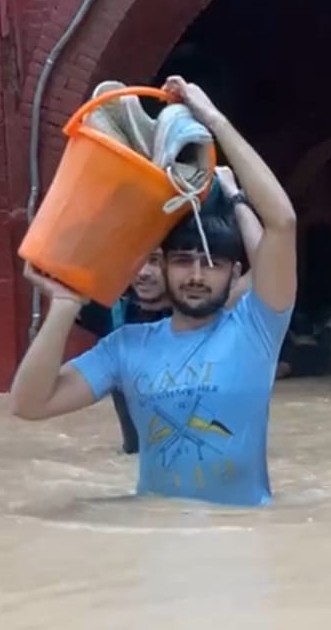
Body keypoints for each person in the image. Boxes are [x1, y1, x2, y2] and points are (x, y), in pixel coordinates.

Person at [9, 76, 297, 507]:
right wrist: (65, 305)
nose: (196, 275)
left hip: (243, 534)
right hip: (153, 534)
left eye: (212, 264)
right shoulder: (125, 346)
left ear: (235, 272)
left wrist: (214, 123)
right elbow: (28, 405)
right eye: (182, 260)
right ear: (162, 265)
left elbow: (282, 224)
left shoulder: (256, 329)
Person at [72, 165, 265, 455]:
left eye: (154, 260)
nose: (143, 273)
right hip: (138, 467)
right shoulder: (111, 314)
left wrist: (234, 196)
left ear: (173, 265)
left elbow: (268, 268)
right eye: (137, 260)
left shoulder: (205, 314)